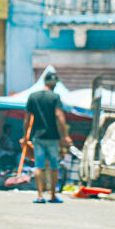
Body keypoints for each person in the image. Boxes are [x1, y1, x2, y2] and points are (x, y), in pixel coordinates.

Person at [24, 72, 71, 204]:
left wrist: (25, 136)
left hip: (38, 136)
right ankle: (52, 195)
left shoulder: (33, 97)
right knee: (54, 166)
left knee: (38, 166)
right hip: (52, 137)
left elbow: (27, 119)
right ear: (54, 84)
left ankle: (40, 195)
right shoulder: (55, 97)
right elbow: (59, 116)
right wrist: (65, 135)